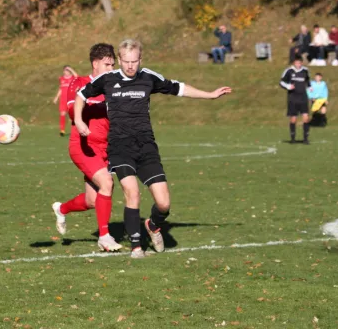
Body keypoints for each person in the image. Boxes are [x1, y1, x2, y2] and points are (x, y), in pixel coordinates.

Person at [74, 39, 232, 258]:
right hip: (120, 146)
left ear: (140, 59)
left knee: (164, 203)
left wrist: (210, 94)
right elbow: (81, 95)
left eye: (134, 61)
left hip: (146, 147)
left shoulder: (148, 77)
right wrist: (79, 121)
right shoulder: (107, 79)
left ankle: (153, 225)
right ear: (120, 60)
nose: (130, 66)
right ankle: (137, 247)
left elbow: (179, 88)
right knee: (132, 192)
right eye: (126, 61)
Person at [51, 44, 122, 252]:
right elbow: (73, 110)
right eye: (107, 64)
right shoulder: (80, 82)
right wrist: (84, 118)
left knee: (93, 200)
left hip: (105, 148)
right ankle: (104, 237)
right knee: (107, 183)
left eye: (112, 64)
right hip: (82, 146)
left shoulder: (115, 87)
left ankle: (61, 209)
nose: (111, 68)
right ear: (95, 64)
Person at [280, 56, 312, 144]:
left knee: (306, 118)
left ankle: (305, 139)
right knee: (293, 119)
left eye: (299, 63)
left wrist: (310, 87)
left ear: (302, 63)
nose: (298, 64)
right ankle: (293, 138)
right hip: (293, 98)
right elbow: (281, 82)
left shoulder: (305, 70)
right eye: (296, 63)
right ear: (293, 63)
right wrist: (288, 86)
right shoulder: (289, 71)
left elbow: (308, 80)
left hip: (303, 98)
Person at [53, 65, 78, 136]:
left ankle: (75, 130)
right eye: (65, 71)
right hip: (63, 100)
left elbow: (77, 76)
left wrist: (71, 69)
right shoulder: (61, 79)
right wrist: (56, 97)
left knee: (73, 116)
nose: (66, 72)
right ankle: (62, 130)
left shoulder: (73, 78)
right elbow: (61, 89)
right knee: (62, 114)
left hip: (71, 100)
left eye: (67, 71)